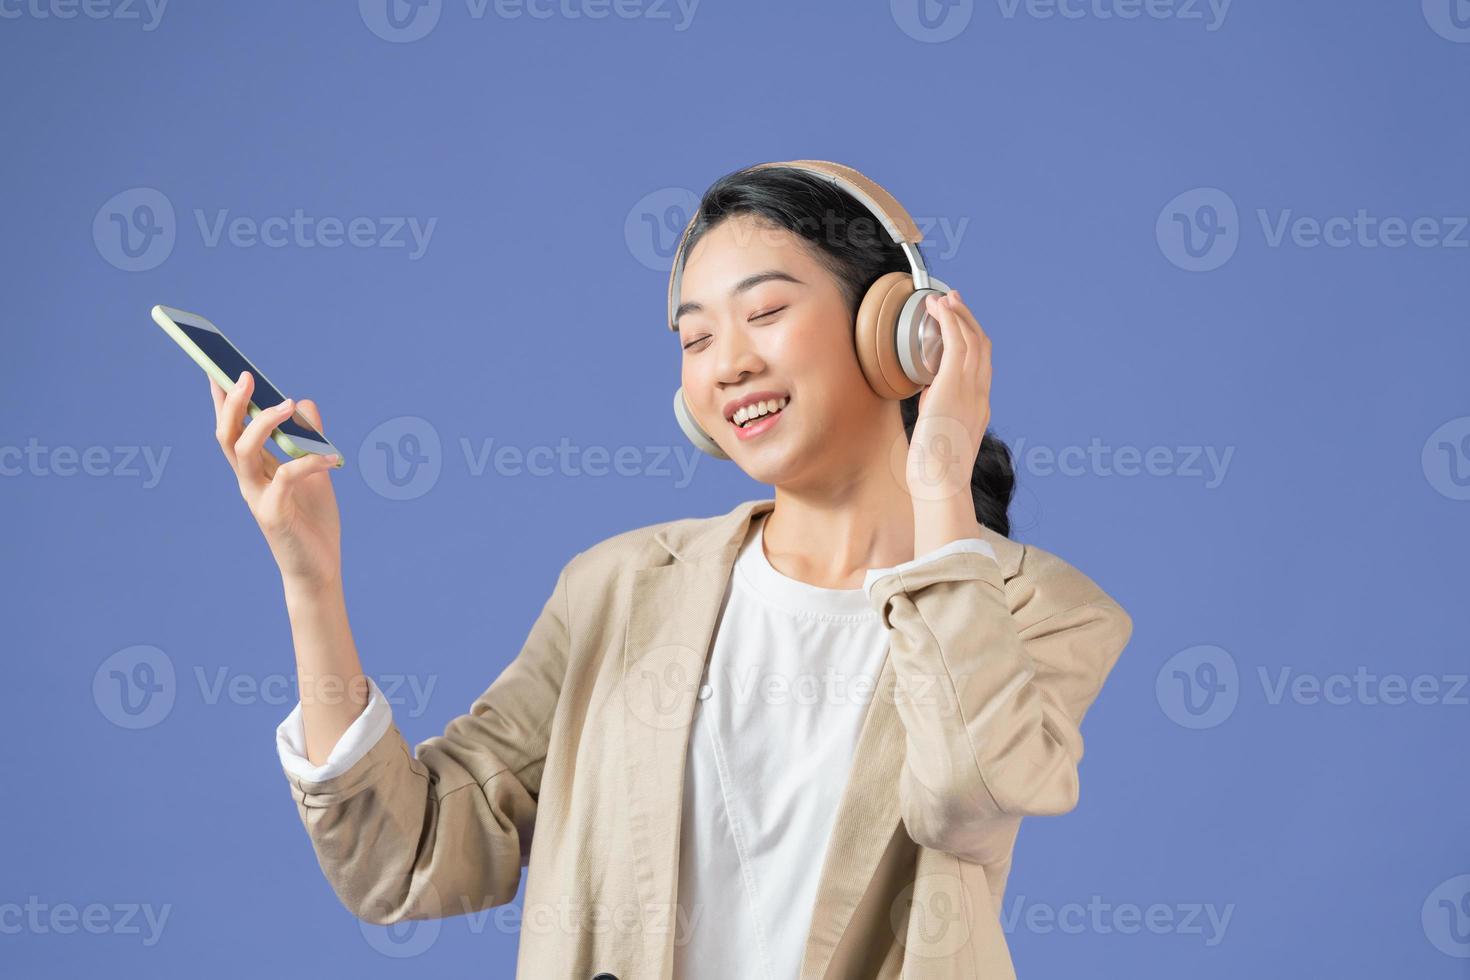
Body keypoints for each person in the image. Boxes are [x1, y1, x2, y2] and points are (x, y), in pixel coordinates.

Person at [209, 160, 1133, 979]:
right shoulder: (617, 589)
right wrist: (311, 581)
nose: (727, 363)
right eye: (695, 340)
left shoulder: (1036, 607)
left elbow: (967, 799)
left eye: (766, 313)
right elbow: (402, 857)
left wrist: (940, 486)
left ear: (895, 332)